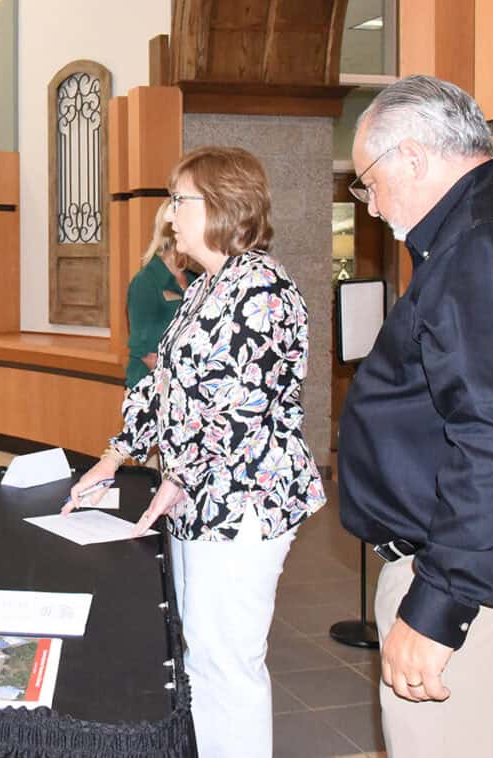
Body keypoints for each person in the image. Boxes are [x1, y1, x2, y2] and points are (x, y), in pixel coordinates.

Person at [65, 146, 325, 758]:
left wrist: (176, 477)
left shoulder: (260, 289)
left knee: (227, 666)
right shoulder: (208, 285)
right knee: (200, 659)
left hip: (243, 504)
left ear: (221, 205)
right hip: (198, 498)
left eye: (177, 200)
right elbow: (165, 389)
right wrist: (114, 457)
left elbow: (240, 410)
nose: (168, 215)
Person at [339, 74, 493, 757]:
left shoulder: (482, 246)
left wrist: (438, 609)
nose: (371, 206)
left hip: (477, 574)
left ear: (412, 157)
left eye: (369, 183)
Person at [125, 201, 195, 389]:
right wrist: (181, 386)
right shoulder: (145, 282)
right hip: (151, 388)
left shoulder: (196, 279)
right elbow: (144, 352)